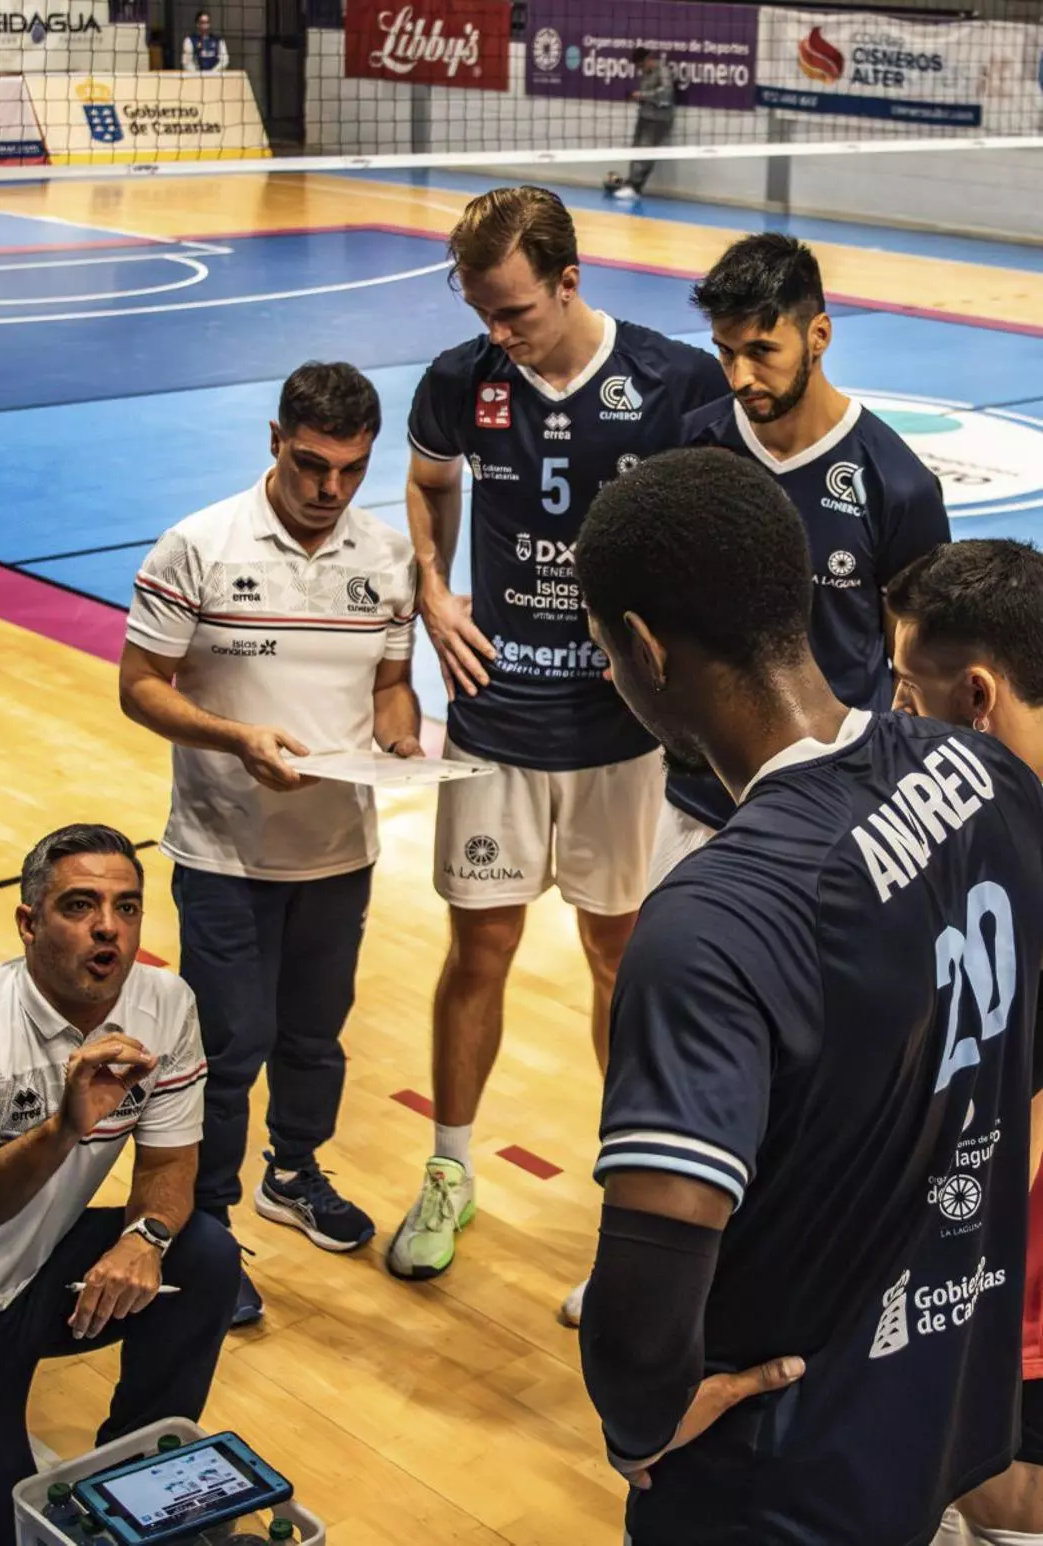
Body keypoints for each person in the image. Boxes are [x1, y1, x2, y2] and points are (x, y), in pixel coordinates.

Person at [574, 450, 1043, 1546]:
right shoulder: (986, 777)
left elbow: (646, 1296)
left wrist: (638, 1418)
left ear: (644, 646)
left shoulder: (713, 924)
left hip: (780, 1476)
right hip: (942, 1397)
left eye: (609, 651)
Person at [388, 184, 724, 1284]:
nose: (498, 334)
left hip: (624, 734)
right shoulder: (459, 381)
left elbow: (715, 522)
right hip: (495, 716)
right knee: (475, 947)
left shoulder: (675, 383)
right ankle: (448, 1170)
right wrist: (434, 590)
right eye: (483, 311)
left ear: (569, 282)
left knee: (621, 958)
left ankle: (629, 1203)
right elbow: (428, 484)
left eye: (515, 311)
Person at [120, 362, 420, 1324]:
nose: (329, 489)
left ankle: (292, 1173)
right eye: (310, 465)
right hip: (223, 853)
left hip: (339, 850)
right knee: (226, 1049)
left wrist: (405, 738)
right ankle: (201, 1230)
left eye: (350, 470)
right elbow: (140, 685)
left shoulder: (387, 556)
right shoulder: (196, 547)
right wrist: (236, 739)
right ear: (274, 441)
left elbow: (387, 686)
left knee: (314, 1038)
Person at [0, 824, 237, 1546]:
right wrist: (63, 1128)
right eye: (80, 906)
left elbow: (170, 1165)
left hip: (37, 1277)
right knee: (3, 1537)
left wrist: (143, 1240)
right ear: (28, 923)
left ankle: (136, 1480)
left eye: (126, 907)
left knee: (202, 1255)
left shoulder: (165, 1004)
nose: (107, 930)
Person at [658, 233, 950, 914]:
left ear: (818, 334)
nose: (739, 378)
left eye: (762, 352)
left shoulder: (896, 484)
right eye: (725, 353)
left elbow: (918, 667)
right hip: (701, 802)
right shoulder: (694, 450)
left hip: (835, 812)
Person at [887, 539, 1043, 1546]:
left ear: (976, 695)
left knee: (1008, 1514)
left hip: (1005, 1269)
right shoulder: (985, 820)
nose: (897, 715)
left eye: (908, 688)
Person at [611, 47, 676, 200]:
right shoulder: (645, 74)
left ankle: (635, 187)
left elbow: (667, 93)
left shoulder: (663, 70)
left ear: (647, 59)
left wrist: (643, 95)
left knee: (646, 153)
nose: (639, 69)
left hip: (658, 119)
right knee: (636, 150)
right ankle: (631, 183)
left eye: (640, 65)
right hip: (644, 116)